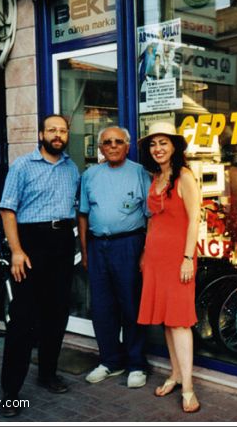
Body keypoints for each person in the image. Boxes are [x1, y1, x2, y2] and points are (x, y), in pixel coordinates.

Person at [0, 114, 80, 417]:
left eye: (62, 130)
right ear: (41, 134)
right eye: (52, 130)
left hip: (61, 244)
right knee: (22, 319)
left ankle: (47, 373)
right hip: (30, 244)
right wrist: (16, 250)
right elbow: (8, 210)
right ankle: (10, 391)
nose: (57, 135)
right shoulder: (23, 165)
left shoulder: (72, 169)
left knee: (56, 315)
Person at [79, 126, 151, 389]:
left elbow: (151, 217)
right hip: (98, 247)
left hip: (129, 245)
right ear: (100, 147)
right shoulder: (90, 175)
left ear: (127, 146)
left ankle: (135, 363)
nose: (112, 146)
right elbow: (83, 215)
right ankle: (110, 361)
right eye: (106, 142)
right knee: (102, 307)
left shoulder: (140, 173)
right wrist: (86, 252)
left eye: (117, 142)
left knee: (131, 306)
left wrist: (145, 252)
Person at [137, 121, 202, 414]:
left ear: (174, 146)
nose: (158, 148)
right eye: (153, 144)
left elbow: (194, 220)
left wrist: (188, 257)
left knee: (180, 320)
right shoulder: (156, 177)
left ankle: (188, 387)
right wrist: (144, 254)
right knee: (166, 318)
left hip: (179, 258)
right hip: (155, 257)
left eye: (163, 142)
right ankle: (175, 374)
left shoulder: (184, 176)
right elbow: (153, 220)